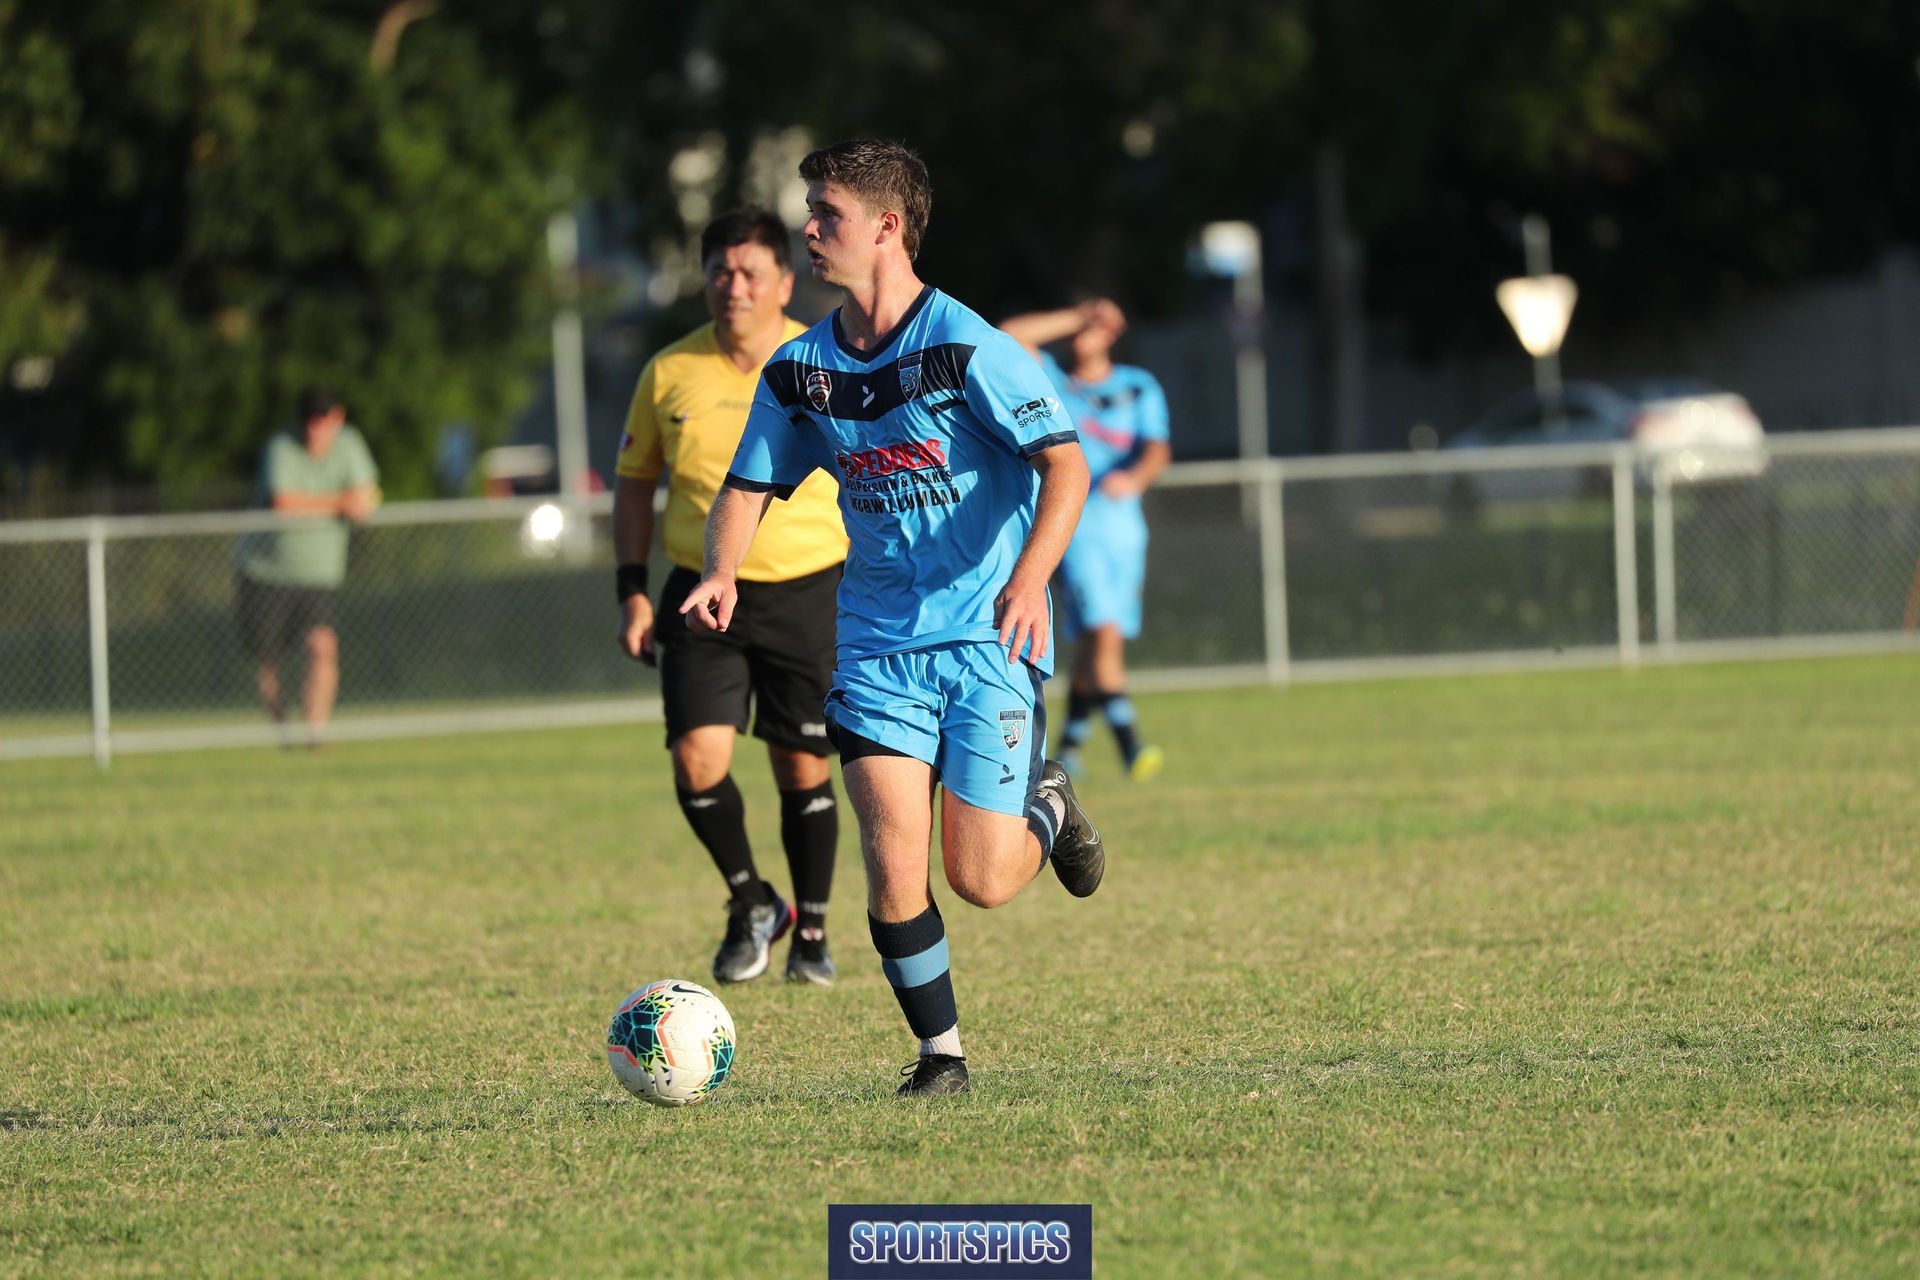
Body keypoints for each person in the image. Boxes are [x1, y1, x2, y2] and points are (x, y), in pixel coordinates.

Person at [679, 139, 1105, 1097]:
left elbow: (1066, 465)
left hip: (989, 641)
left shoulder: (967, 346)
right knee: (891, 866)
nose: (810, 230)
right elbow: (747, 484)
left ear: (887, 227)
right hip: (875, 648)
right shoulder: (801, 370)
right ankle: (941, 1056)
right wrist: (721, 573)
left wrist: (1032, 578)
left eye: (826, 213)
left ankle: (1049, 802)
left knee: (984, 878)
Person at [614, 208, 849, 987]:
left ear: (785, 281)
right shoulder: (669, 372)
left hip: (810, 589)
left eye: (750, 272)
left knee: (801, 764)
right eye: (720, 271)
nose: (733, 286)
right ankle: (753, 900)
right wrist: (632, 591)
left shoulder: (824, 361)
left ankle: (811, 931)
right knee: (697, 759)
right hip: (698, 592)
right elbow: (635, 485)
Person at [1002, 299, 1171, 780]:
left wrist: (1135, 478)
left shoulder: (1137, 385)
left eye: (1095, 328)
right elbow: (1011, 333)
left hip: (1125, 529)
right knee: (1104, 632)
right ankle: (1131, 745)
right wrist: (1080, 313)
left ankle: (1071, 744)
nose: (1083, 335)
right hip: (1073, 527)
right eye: (1080, 328)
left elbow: (1158, 448)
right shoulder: (1055, 380)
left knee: (1099, 636)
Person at [233, 387, 380, 747]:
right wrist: (339, 502)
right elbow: (284, 503)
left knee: (322, 646)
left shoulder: (350, 444)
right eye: (310, 420)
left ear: (338, 418)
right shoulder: (280, 447)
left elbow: (368, 497)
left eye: (323, 420)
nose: (316, 429)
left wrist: (359, 502)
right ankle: (285, 735)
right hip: (265, 572)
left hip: (319, 574)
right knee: (269, 660)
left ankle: (314, 734)